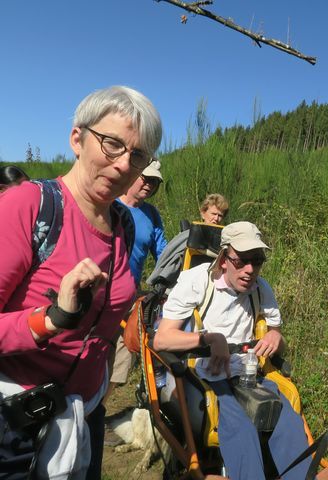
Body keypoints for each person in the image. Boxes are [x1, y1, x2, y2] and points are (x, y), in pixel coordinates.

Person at [0, 85, 162, 479]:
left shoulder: (123, 225)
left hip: (84, 415)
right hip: (16, 424)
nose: (124, 164)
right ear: (77, 138)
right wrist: (51, 319)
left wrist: (100, 381)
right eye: (111, 144)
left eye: (137, 155)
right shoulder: (28, 207)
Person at [153, 221, 311, 480]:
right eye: (241, 261)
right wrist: (210, 339)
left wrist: (275, 336)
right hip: (204, 375)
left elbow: (279, 339)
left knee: (288, 421)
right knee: (241, 428)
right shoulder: (197, 281)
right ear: (224, 258)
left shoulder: (262, 288)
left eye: (257, 261)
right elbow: (162, 340)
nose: (250, 270)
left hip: (248, 373)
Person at [103, 160, 168, 410]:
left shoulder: (151, 215)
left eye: (155, 182)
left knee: (125, 351)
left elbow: (162, 252)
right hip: (100, 293)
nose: (149, 185)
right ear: (132, 175)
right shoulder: (108, 203)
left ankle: (98, 410)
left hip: (129, 294)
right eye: (146, 178)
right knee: (91, 350)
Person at [146, 192, 229, 288]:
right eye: (213, 214)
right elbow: (169, 257)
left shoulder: (226, 238)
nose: (216, 218)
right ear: (203, 213)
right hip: (186, 283)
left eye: (220, 215)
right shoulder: (188, 235)